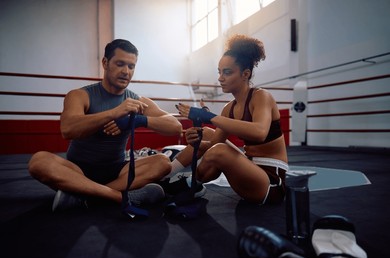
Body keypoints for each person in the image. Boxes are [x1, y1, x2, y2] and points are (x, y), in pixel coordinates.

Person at [28, 39, 182, 211]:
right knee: (39, 161)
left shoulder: (137, 101)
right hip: (77, 170)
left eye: (131, 66)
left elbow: (175, 126)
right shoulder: (80, 95)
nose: (126, 71)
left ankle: (86, 196)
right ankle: (117, 196)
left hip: (115, 171)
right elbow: (68, 129)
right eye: (120, 64)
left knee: (162, 162)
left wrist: (137, 120)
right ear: (105, 63)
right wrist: (114, 112)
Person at [166, 34, 288, 204]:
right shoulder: (228, 108)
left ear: (245, 74)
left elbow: (260, 132)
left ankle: (189, 183)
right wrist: (196, 142)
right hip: (248, 171)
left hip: (271, 184)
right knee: (206, 133)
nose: (220, 78)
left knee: (220, 150)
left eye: (227, 72)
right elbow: (211, 144)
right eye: (219, 72)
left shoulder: (261, 97)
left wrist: (209, 116)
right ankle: (167, 174)